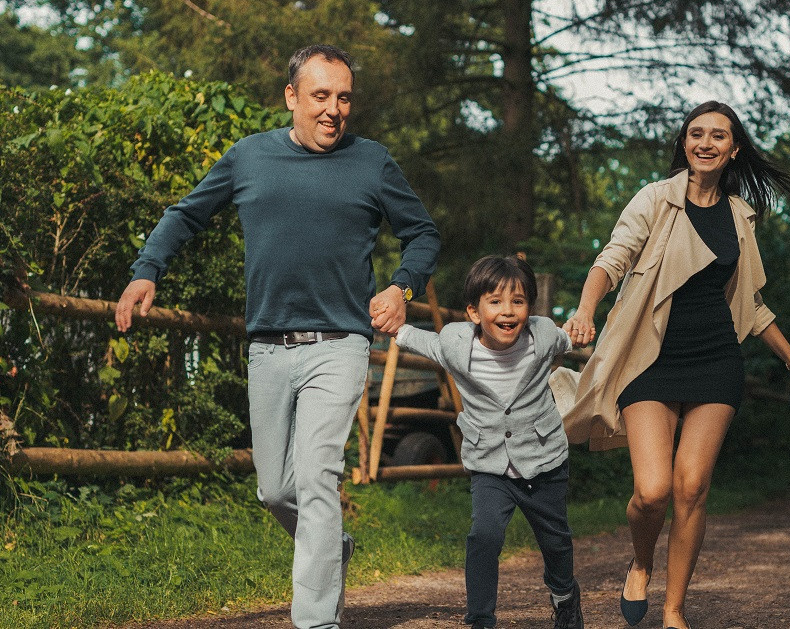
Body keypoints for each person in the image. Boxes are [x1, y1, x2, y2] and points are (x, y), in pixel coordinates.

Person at [114, 44, 440, 629]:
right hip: (267, 348)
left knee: (318, 475)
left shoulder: (371, 162)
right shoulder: (249, 159)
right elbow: (186, 213)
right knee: (274, 491)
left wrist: (400, 289)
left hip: (341, 345)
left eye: (344, 98)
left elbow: (422, 234)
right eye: (320, 96)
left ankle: (315, 621)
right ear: (291, 97)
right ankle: (330, 547)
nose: (333, 110)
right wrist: (147, 271)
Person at [560, 101, 790, 629]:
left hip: (715, 361)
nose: (705, 143)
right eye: (696, 133)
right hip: (649, 359)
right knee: (651, 491)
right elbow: (612, 258)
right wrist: (586, 308)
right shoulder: (656, 200)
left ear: (733, 148)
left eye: (717, 136)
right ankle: (641, 561)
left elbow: (752, 306)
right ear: (684, 144)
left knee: (692, 488)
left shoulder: (739, 217)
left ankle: (674, 609)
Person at [390, 255, 585, 629]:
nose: (508, 311)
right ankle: (480, 619)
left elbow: (573, 335)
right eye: (495, 301)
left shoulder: (543, 336)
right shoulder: (456, 344)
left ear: (529, 307)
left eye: (518, 301)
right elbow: (425, 342)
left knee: (556, 543)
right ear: (474, 312)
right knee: (484, 535)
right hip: (489, 463)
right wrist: (394, 328)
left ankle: (564, 597)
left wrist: (583, 325)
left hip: (544, 460)